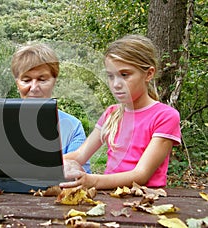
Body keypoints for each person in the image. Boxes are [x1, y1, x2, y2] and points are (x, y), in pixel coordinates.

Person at [59, 34, 181, 189]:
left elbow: (141, 175)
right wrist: (39, 165)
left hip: (146, 202)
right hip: (110, 198)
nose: (116, 84)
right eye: (111, 76)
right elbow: (79, 155)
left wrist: (92, 181)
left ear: (149, 74)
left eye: (124, 75)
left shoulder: (165, 116)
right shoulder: (111, 113)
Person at [10, 43, 91, 173]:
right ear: (17, 84)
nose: (34, 88)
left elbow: (81, 175)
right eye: (26, 80)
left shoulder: (73, 126)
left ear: (54, 81)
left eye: (42, 80)